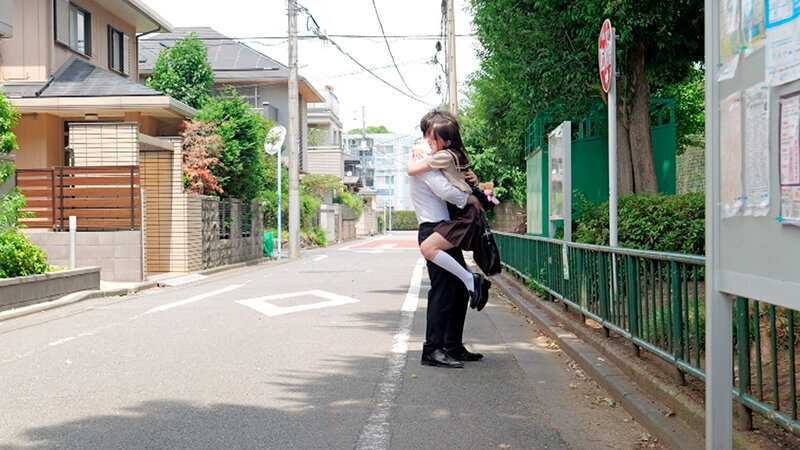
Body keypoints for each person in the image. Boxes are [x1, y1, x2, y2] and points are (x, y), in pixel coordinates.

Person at [410, 111, 486, 369]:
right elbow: (444, 190)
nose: (445, 141)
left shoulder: (436, 156)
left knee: (457, 289)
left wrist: (471, 180)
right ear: (429, 133)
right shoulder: (421, 156)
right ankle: (432, 349)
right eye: (441, 135)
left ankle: (452, 345)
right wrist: (470, 198)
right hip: (433, 228)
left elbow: (454, 179)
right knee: (443, 290)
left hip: (443, 227)